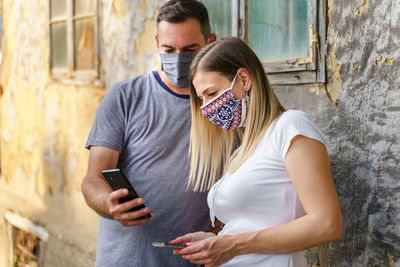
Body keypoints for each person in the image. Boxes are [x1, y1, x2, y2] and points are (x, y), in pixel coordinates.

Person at [170, 37, 343, 267]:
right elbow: (251, 226)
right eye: (201, 99)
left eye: (211, 93)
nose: (205, 109)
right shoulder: (242, 151)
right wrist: (216, 241)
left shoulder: (291, 127)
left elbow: (327, 224)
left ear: (243, 79)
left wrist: (233, 245)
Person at [81, 1, 216, 266]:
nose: (178, 58)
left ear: (211, 42)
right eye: (169, 49)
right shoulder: (124, 97)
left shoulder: (224, 104)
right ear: (157, 43)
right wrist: (111, 205)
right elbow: (92, 181)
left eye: (190, 49)